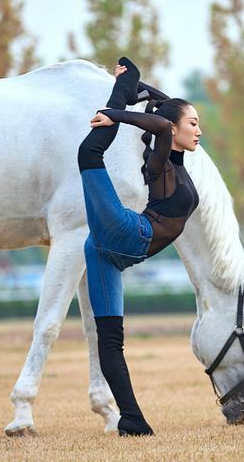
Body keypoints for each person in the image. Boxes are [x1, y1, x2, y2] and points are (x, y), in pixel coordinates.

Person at [77, 57, 202, 436]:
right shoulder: (160, 164)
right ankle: (123, 88)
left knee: (110, 340)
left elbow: (165, 115)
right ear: (177, 128)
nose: (200, 131)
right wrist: (117, 110)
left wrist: (142, 90)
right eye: (194, 124)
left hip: (107, 253)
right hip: (129, 234)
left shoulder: (174, 164)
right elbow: (163, 123)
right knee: (89, 154)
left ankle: (132, 420)